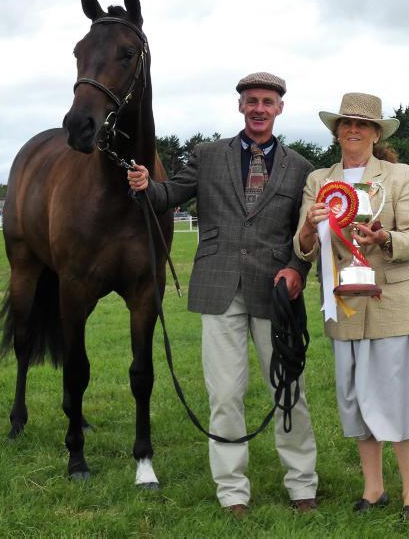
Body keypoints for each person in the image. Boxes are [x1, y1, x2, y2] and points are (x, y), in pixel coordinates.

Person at [127, 72, 318, 516]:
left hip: (276, 292)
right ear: (240, 106)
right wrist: (145, 184)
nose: (258, 108)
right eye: (251, 100)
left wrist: (297, 269)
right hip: (219, 288)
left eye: (267, 101)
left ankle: (302, 484)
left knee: (289, 390)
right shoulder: (208, 155)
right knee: (226, 395)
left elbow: (306, 232)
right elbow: (168, 195)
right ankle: (233, 491)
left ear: (280, 108)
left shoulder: (301, 168)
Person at [294, 92, 409, 524]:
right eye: (346, 123)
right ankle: (373, 488)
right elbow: (303, 247)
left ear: (377, 134)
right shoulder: (319, 180)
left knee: (401, 399)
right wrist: (309, 228)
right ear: (336, 132)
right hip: (344, 306)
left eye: (362, 124)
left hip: (391, 305)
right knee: (356, 399)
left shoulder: (398, 176)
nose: (353, 130)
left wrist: (385, 239)